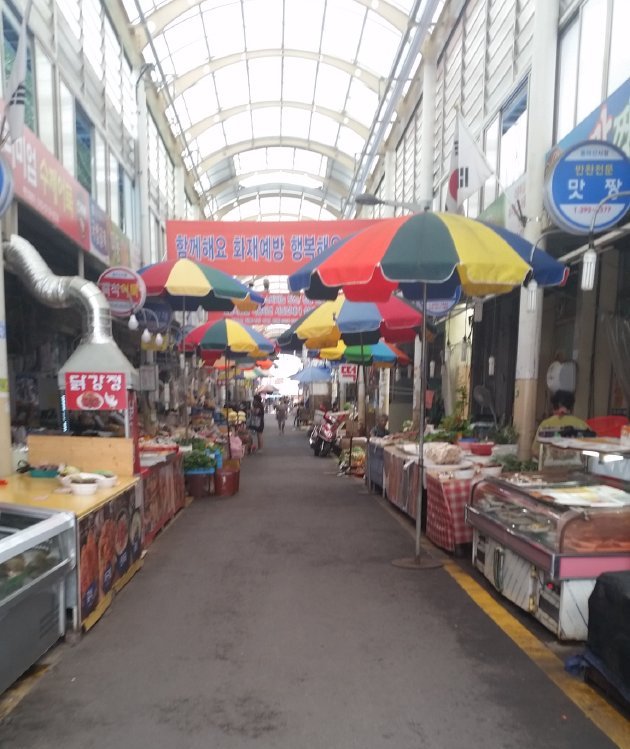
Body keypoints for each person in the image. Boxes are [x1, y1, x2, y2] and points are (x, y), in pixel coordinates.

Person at [532, 389, 590, 461]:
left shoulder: (545, 425)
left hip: (549, 468)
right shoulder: (583, 425)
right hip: (576, 469)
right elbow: (591, 452)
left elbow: (535, 451)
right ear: (571, 407)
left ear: (554, 406)